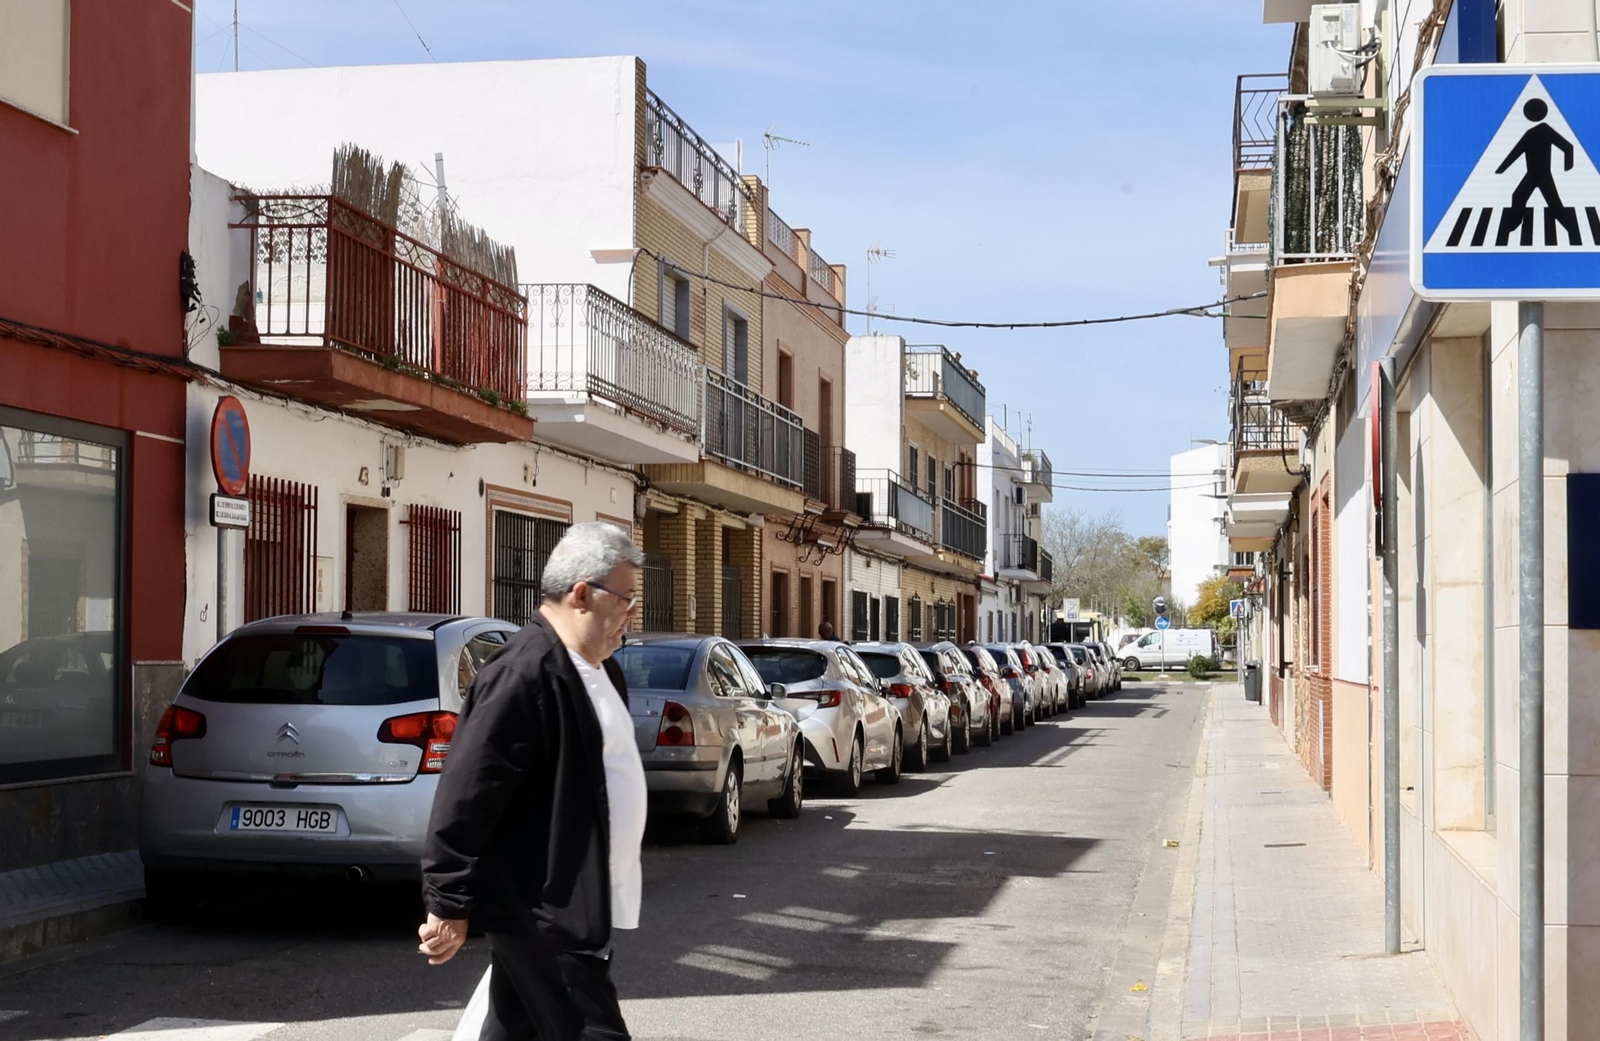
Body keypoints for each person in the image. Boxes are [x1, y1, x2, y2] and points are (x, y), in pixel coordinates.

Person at [418, 521, 646, 1040]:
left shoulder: (599, 669)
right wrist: (448, 902)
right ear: (583, 594)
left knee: (514, 1028)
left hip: (574, 901)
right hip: (544, 907)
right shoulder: (524, 673)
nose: (632, 613)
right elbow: (467, 794)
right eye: (627, 599)